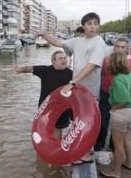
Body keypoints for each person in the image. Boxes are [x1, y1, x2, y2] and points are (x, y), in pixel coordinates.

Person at [38, 12, 107, 164]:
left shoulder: (99, 42)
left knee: (89, 123)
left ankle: (87, 154)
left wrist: (73, 81)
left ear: (98, 26)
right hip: (77, 90)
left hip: (89, 91)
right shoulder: (77, 41)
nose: (92, 27)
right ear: (83, 26)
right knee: (77, 121)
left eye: (95, 23)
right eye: (89, 24)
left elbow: (91, 66)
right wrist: (44, 35)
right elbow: (58, 43)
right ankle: (77, 152)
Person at [99, 52, 131, 178]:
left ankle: (116, 172)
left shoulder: (117, 79)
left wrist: (113, 108)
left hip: (122, 114)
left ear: (113, 63)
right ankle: (128, 163)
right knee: (127, 139)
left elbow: (123, 100)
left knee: (117, 144)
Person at [95, 38, 131, 151]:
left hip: (123, 97)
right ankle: (100, 142)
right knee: (103, 119)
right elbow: (99, 76)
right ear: (114, 47)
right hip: (106, 93)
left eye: (122, 47)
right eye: (117, 46)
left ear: (127, 49)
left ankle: (114, 144)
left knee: (118, 122)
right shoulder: (106, 59)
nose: (119, 49)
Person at [15, 50, 72, 138]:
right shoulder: (45, 70)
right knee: (44, 129)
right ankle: (44, 148)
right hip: (46, 106)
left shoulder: (71, 74)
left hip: (62, 108)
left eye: (65, 58)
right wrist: (20, 69)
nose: (64, 60)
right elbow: (30, 68)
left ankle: (55, 149)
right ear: (53, 61)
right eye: (60, 58)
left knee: (58, 129)